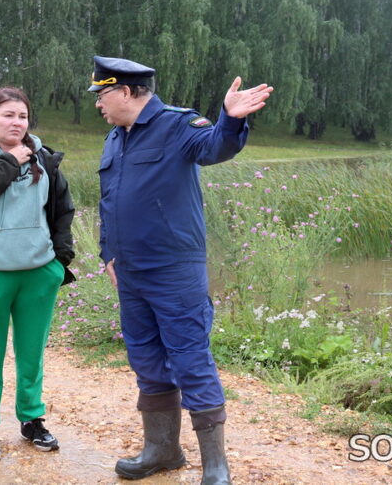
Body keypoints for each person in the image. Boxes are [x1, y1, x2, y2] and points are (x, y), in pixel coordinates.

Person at [90, 55, 272, 484]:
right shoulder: (116, 138)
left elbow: (215, 148)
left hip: (173, 270)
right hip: (130, 272)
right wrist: (108, 253)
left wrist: (229, 118)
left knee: (190, 359)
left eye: (103, 94)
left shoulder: (177, 125)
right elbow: (110, 201)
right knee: (146, 359)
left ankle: (215, 466)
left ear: (127, 92)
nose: (98, 103)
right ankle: (162, 450)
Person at [0, 86, 76, 463]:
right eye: (8, 115)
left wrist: (59, 260)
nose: (16, 122)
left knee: (32, 353)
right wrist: (10, 160)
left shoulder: (45, 157)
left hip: (38, 274)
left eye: (22, 116)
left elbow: (62, 210)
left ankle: (31, 420)